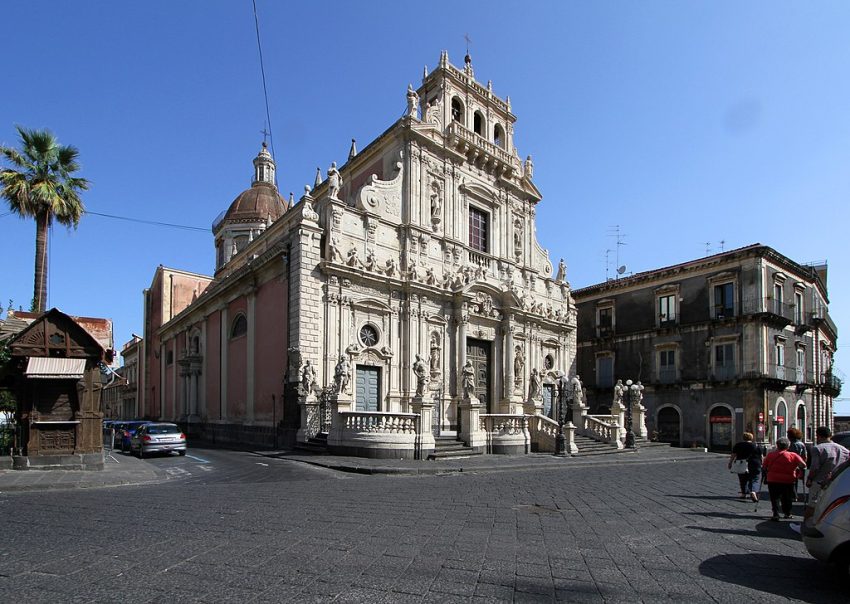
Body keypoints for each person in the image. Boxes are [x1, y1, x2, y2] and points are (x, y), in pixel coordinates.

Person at [804, 426, 850, 523]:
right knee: (828, 505)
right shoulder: (843, 449)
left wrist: (809, 479)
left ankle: (807, 524)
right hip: (836, 482)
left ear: (818, 436)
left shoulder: (818, 448)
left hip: (819, 481)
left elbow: (815, 467)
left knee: (813, 505)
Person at [762, 437, 807, 521]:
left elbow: (764, 466)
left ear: (777, 445)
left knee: (774, 497)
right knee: (787, 497)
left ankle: (776, 513)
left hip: (773, 479)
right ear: (788, 446)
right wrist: (796, 467)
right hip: (788, 479)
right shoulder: (793, 455)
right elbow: (803, 465)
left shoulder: (770, 455)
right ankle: (787, 513)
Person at [728, 432, 763, 502]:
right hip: (755, 464)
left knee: (743, 479)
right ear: (752, 438)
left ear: (743, 438)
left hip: (742, 463)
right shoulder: (756, 445)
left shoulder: (738, 445)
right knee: (755, 478)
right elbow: (761, 456)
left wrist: (730, 463)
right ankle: (753, 491)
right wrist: (762, 463)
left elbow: (733, 454)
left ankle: (743, 494)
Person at [786, 427, 807, 502]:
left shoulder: (791, 444)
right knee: (796, 480)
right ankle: (794, 495)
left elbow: (790, 455)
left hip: (792, 464)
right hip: (800, 463)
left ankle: (794, 495)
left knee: (791, 480)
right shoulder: (801, 444)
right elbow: (804, 455)